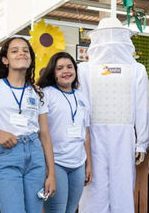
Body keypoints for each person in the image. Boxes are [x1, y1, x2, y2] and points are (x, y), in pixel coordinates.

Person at [78, 17, 149, 213]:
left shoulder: (137, 70)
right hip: (93, 134)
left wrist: (142, 142)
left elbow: (143, 107)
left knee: (123, 186)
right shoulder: (83, 69)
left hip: (124, 134)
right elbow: (81, 107)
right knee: (93, 186)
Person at [0, 37, 56, 213]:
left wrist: (51, 173)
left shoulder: (38, 92)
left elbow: (45, 134)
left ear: (30, 58)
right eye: (15, 50)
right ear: (5, 60)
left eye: (25, 50)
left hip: (35, 155)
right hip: (5, 155)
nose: (21, 53)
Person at [37, 52, 92, 213]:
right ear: (53, 73)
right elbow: (42, 132)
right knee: (56, 210)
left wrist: (88, 163)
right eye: (59, 68)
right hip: (56, 162)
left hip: (78, 163)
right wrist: (48, 168)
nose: (65, 71)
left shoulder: (81, 97)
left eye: (69, 67)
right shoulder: (46, 94)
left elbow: (85, 133)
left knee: (71, 209)